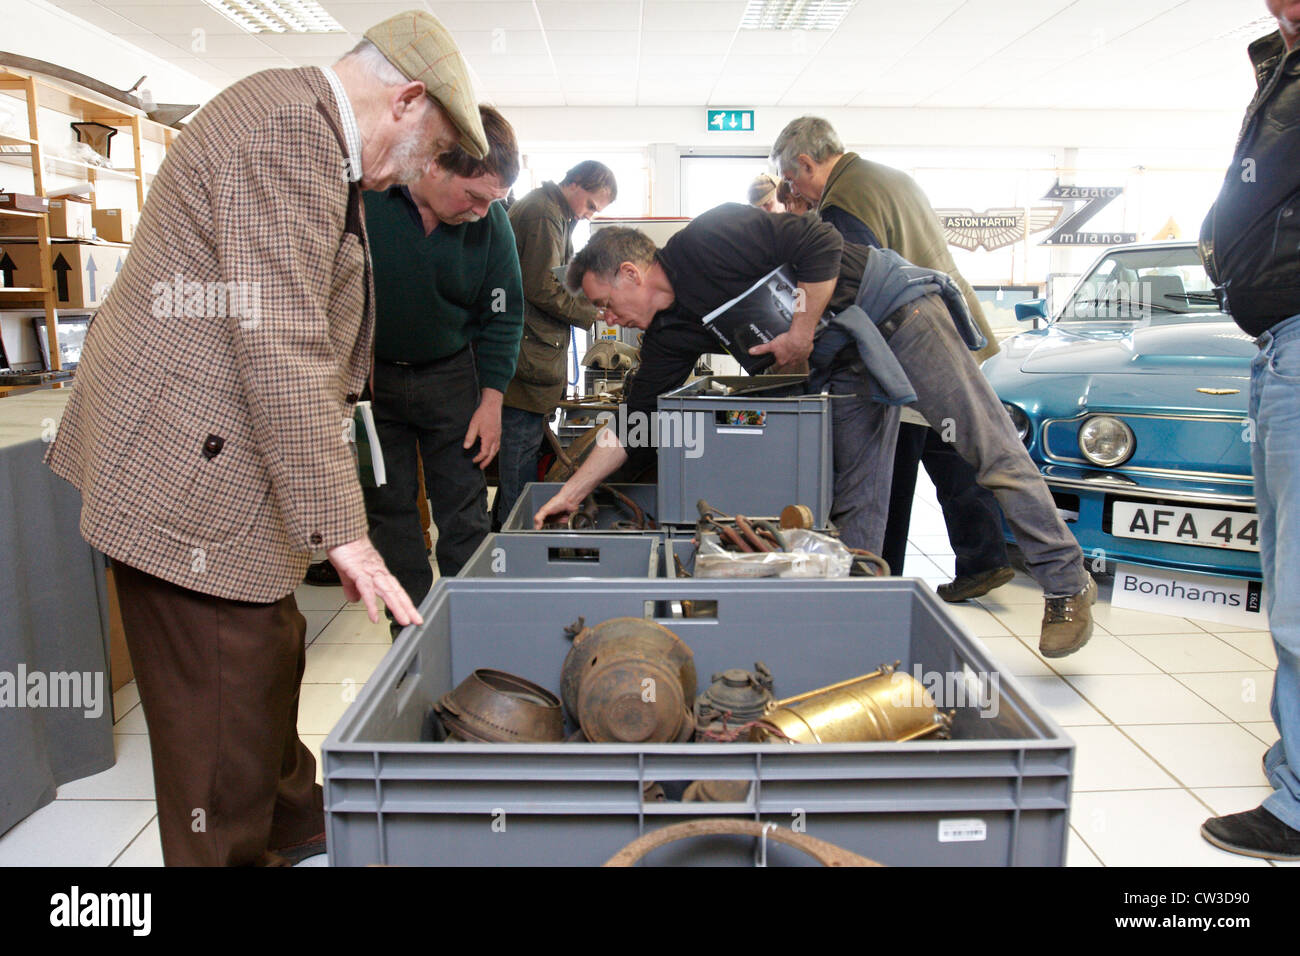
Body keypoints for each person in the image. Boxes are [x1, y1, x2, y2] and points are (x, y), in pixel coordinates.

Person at [44, 11, 484, 866]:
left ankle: (295, 827)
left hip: (214, 465)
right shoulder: (288, 133)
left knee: (269, 660)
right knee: (221, 738)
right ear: (405, 98)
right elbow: (281, 345)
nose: (417, 172)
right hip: (185, 482)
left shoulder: (299, 124)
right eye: (427, 148)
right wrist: (347, 535)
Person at [531, 206, 1095, 658]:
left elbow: (819, 241)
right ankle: (857, 627)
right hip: (844, 359)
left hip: (897, 313)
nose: (607, 320)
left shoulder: (709, 239)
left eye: (606, 304)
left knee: (985, 445)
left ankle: (1067, 583)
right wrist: (570, 493)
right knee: (856, 494)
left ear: (630, 273)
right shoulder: (670, 334)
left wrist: (800, 331)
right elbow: (635, 422)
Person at [771, 116, 1013, 604]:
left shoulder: (844, 200)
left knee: (889, 466)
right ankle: (985, 559)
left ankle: (878, 576)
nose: (796, 190)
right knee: (955, 451)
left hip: (907, 344)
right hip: (954, 325)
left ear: (805, 162)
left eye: (793, 180)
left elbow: (853, 285)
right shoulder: (889, 176)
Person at [1197, 0, 1300, 861]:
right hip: (1278, 344)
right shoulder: (1282, 68)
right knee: (1286, 581)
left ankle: (1299, 804)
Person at [363, 105, 523, 604]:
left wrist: (492, 400)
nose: (481, 211)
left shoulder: (491, 224)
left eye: (493, 200)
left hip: (452, 376)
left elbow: (505, 315)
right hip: (372, 382)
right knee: (387, 509)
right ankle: (407, 631)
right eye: (474, 195)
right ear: (433, 164)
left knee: (464, 507)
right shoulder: (367, 204)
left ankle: (469, 618)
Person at [493, 161, 617, 527]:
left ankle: (505, 529)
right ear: (575, 183)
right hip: (527, 355)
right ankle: (514, 541)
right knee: (519, 459)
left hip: (534, 351)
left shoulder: (556, 214)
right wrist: (590, 311)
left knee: (521, 457)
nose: (589, 213)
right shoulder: (543, 214)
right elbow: (542, 287)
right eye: (591, 204)